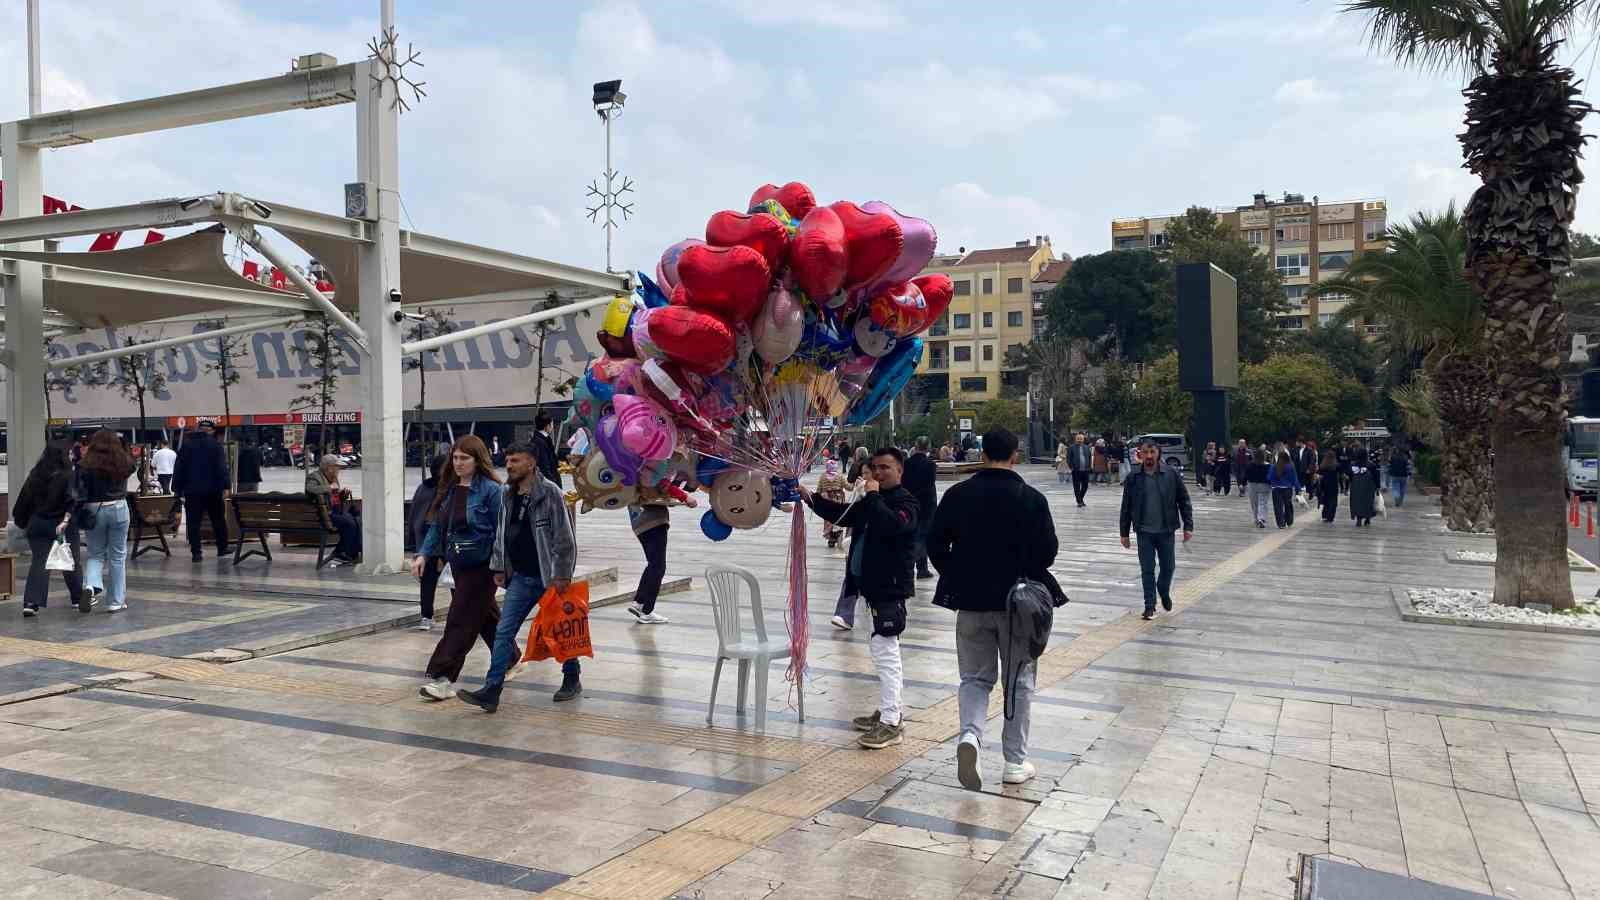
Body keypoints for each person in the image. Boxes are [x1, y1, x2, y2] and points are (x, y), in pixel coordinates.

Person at [927, 428, 1062, 789]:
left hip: (971, 601)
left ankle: (970, 736)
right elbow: (1048, 551)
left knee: (974, 678)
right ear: (1015, 455)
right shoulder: (1031, 498)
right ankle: (1014, 763)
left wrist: (958, 573)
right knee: (1018, 681)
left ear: (982, 454)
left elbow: (935, 545)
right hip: (1019, 606)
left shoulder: (957, 495)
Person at [799, 448, 919, 750]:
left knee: (886, 652)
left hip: (889, 589)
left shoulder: (905, 502)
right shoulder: (872, 501)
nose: (878, 473)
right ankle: (890, 710)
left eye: (885, 468)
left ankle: (892, 721)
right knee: (881, 649)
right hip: (870, 587)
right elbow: (842, 514)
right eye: (874, 468)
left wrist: (874, 495)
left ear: (900, 471)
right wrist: (807, 496)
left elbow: (892, 525)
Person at [457, 442, 581, 712]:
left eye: (515, 461)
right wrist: (499, 566)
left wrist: (562, 575)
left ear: (531, 463)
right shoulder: (507, 493)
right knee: (503, 631)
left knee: (561, 631)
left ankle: (572, 677)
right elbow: (501, 533)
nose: (509, 465)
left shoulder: (550, 492)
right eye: (508, 460)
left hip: (550, 577)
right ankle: (492, 689)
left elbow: (565, 538)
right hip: (522, 578)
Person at [412, 435, 505, 701]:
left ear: (478, 460)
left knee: (460, 619)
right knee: (485, 617)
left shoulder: (491, 490)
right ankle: (511, 658)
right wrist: (423, 555)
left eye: (465, 458)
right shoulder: (451, 489)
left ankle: (443, 677)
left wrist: (501, 566)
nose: (458, 463)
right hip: (458, 563)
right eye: (455, 458)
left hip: (483, 566)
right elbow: (438, 527)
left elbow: (502, 531)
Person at [1119, 440, 1194, 621]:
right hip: (1144, 531)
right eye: (1146, 452)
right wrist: (1124, 533)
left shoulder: (1170, 474)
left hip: (1166, 530)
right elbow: (1126, 506)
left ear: (1158, 453)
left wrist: (1188, 526)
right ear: (1141, 454)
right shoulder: (1133, 477)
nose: (1149, 456)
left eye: (1152, 452)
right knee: (1147, 569)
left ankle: (1163, 589)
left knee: (1168, 567)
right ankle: (1149, 606)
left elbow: (1184, 500)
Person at [13, 444, 87, 616]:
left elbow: (23, 501)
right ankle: (77, 597)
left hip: (38, 523)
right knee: (70, 560)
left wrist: (23, 521)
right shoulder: (68, 475)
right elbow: (73, 500)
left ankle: (31, 602)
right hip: (62, 525)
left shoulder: (35, 475)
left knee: (40, 561)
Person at [76, 430, 134, 613]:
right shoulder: (122, 461)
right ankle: (115, 601)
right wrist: (124, 446)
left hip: (94, 510)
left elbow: (79, 488)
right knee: (117, 556)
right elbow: (132, 467)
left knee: (95, 554)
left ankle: (91, 586)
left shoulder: (85, 463)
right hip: (118, 507)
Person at [627, 488, 698, 626]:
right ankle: (647, 612)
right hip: (653, 522)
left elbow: (655, 491)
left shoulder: (631, 476)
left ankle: (639, 602)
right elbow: (663, 484)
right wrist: (685, 497)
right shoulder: (647, 474)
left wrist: (669, 499)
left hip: (639, 522)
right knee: (658, 567)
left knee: (653, 564)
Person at [171, 419, 231, 562]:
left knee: (193, 522)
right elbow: (222, 468)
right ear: (211, 431)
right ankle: (222, 548)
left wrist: (177, 489)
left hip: (192, 491)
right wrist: (226, 486)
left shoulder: (186, 445)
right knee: (218, 520)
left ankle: (196, 553)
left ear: (198, 429)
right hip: (213, 490)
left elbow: (179, 468)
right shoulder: (215, 445)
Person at [408, 454, 448, 632]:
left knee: (454, 580)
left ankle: (459, 617)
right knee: (428, 580)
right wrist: (413, 543)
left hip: (447, 541)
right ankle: (426, 615)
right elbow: (415, 514)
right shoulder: (425, 488)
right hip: (427, 541)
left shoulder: (452, 488)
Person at [305, 455, 362, 566]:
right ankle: (342, 553)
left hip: (335, 512)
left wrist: (342, 495)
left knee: (357, 520)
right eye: (337, 467)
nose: (339, 470)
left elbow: (334, 498)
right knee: (349, 523)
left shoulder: (333, 478)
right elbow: (310, 489)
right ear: (330, 467)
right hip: (324, 515)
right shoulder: (314, 477)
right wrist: (329, 488)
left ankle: (349, 553)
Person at [903, 437, 938, 580]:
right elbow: (929, 485)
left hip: (910, 504)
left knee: (913, 535)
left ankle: (921, 568)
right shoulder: (930, 465)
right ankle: (916, 567)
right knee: (922, 537)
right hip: (926, 506)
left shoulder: (906, 463)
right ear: (928, 447)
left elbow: (904, 483)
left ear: (915, 446)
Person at [816, 459, 848, 548]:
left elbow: (818, 490)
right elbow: (848, 487)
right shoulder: (840, 476)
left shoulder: (823, 476)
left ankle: (831, 539)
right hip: (838, 500)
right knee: (838, 518)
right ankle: (838, 535)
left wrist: (817, 498)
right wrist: (855, 485)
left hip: (827, 501)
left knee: (828, 519)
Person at [1268, 449, 1300, 528]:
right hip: (1287, 489)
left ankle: (1281, 523)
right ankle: (1289, 521)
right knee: (1288, 505)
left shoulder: (1274, 466)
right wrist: (1298, 489)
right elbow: (1294, 479)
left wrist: (1273, 483)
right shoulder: (1290, 466)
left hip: (1276, 489)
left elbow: (1269, 478)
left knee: (1278, 507)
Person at [1348, 449, 1380, 527]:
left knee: (1357, 502)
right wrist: (1377, 486)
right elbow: (1376, 476)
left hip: (1355, 486)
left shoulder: (1353, 464)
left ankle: (1358, 518)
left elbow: (1350, 475)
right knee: (1368, 501)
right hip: (1368, 486)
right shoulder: (1371, 465)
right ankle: (1368, 518)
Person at [1243, 444, 1272, 528]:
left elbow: (1246, 475)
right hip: (1265, 485)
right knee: (1263, 503)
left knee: (1254, 503)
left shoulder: (1250, 465)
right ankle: (1262, 518)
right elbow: (1271, 476)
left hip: (1253, 485)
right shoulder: (1268, 466)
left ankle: (1256, 518)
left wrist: (1242, 483)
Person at [531, 414, 562, 488]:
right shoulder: (540, 442)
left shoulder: (543, 439)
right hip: (547, 483)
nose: (552, 427)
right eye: (551, 425)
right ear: (547, 426)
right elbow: (544, 466)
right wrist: (553, 483)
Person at [1066, 432, 1092, 507]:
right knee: (1076, 486)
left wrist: (1090, 466)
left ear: (1083, 440)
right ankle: (1079, 501)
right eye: (1078, 439)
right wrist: (1071, 467)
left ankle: (1080, 498)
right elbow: (1068, 458)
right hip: (1076, 470)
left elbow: (1089, 457)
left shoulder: (1086, 447)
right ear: (1075, 439)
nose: (1079, 440)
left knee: (1085, 486)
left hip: (1085, 470)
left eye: (1081, 439)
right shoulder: (1071, 447)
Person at [1317, 449, 1341, 523]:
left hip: (1324, 484)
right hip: (1333, 484)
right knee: (1333, 501)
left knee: (1326, 500)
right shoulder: (1336, 466)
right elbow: (1341, 474)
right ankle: (1330, 516)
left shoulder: (1323, 466)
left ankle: (1324, 515)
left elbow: (1319, 474)